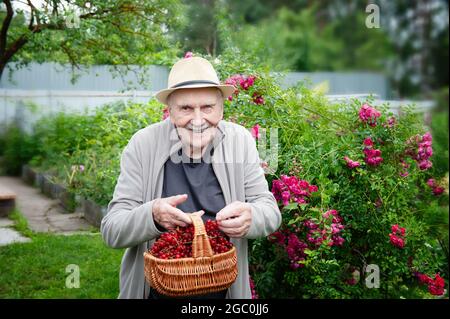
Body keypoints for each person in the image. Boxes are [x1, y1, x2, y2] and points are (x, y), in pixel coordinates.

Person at [101, 56, 281, 299]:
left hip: (225, 293)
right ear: (170, 111)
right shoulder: (143, 144)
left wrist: (253, 217)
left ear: (221, 108)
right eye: (186, 108)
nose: (198, 120)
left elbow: (270, 211)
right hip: (154, 292)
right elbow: (112, 230)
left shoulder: (240, 141)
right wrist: (152, 215)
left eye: (207, 107)